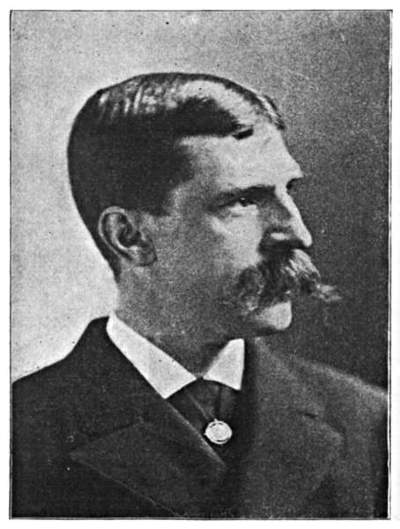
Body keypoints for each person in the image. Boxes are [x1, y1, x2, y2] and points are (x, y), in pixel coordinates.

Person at [12, 72, 387, 518]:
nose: (297, 233)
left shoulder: (370, 423)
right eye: (243, 201)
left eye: (288, 191)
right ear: (130, 237)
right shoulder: (19, 435)